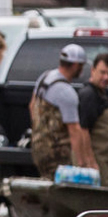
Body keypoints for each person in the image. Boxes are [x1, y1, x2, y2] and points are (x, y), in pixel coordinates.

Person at [29, 43, 88, 180]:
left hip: (38, 148)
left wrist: (39, 131)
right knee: (58, 188)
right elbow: (74, 130)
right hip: (57, 154)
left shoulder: (45, 77)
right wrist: (81, 163)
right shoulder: (66, 92)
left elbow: (32, 106)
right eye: (81, 65)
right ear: (75, 65)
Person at [78, 52, 108, 186]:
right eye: (102, 72)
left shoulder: (104, 93)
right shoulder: (89, 95)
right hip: (96, 162)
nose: (106, 77)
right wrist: (90, 162)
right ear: (93, 70)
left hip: (107, 160)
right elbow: (83, 131)